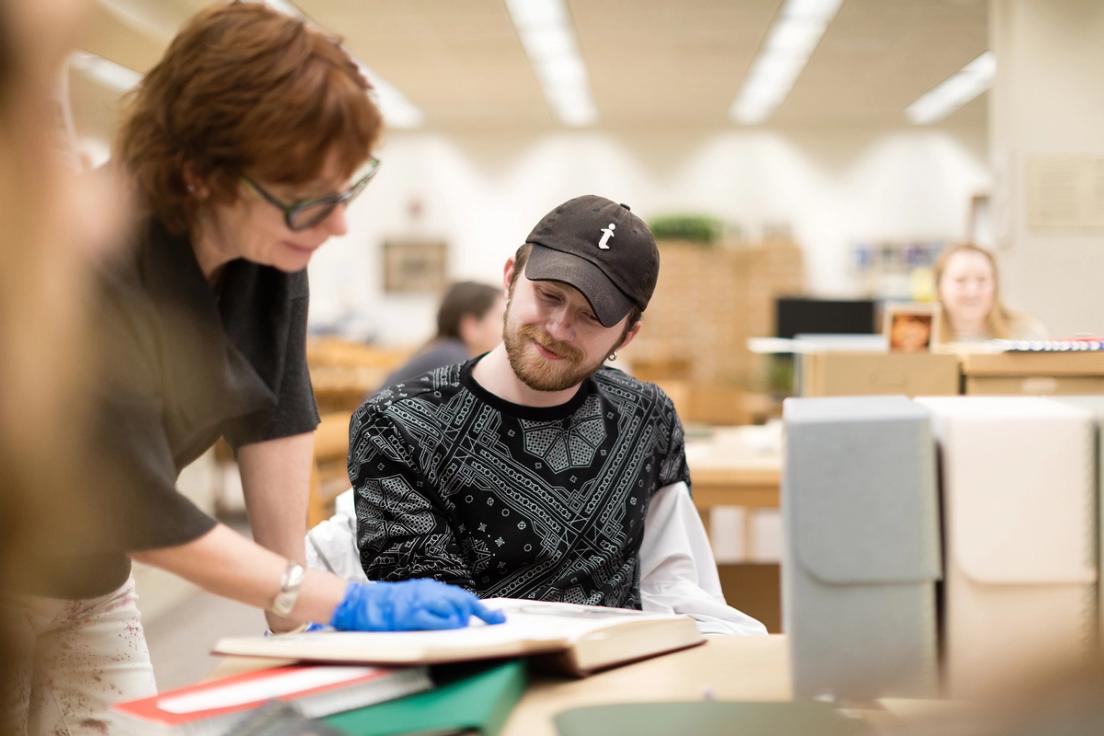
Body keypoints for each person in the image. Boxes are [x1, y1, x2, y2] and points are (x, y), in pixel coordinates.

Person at [8, 5, 501, 734]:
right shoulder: (90, 258)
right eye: (309, 198)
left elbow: (277, 412)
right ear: (200, 175)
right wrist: (333, 598)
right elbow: (134, 503)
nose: (338, 225)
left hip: (96, 582)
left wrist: (293, 629)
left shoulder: (266, 242)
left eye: (345, 188)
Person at [348, 195, 765, 635]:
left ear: (627, 335)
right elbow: (436, 619)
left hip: (621, 675)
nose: (559, 327)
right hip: (475, 681)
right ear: (511, 278)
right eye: (548, 295)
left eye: (592, 316)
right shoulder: (398, 424)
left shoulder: (647, 416)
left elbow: (673, 583)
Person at [378, 281, 505, 389]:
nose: (507, 327)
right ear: (471, 327)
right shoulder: (452, 360)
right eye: (502, 318)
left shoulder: (443, 351)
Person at [934, 243, 1047, 343]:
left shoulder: (1026, 334)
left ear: (995, 285)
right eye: (960, 280)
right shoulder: (922, 341)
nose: (972, 291)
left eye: (982, 279)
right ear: (939, 286)